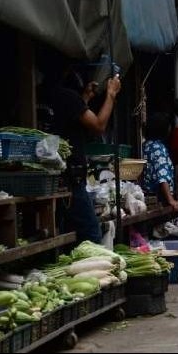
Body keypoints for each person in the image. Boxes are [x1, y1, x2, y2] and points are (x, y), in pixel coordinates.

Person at [51, 64, 121, 243]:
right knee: (92, 233)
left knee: (69, 231)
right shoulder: (68, 97)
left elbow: (72, 121)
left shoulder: (51, 95)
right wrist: (111, 94)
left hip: (59, 177)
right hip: (70, 180)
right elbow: (98, 126)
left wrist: (85, 99)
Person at [142, 112, 178, 212]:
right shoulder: (158, 148)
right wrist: (171, 200)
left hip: (149, 196)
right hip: (159, 198)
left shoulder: (146, 145)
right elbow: (162, 176)